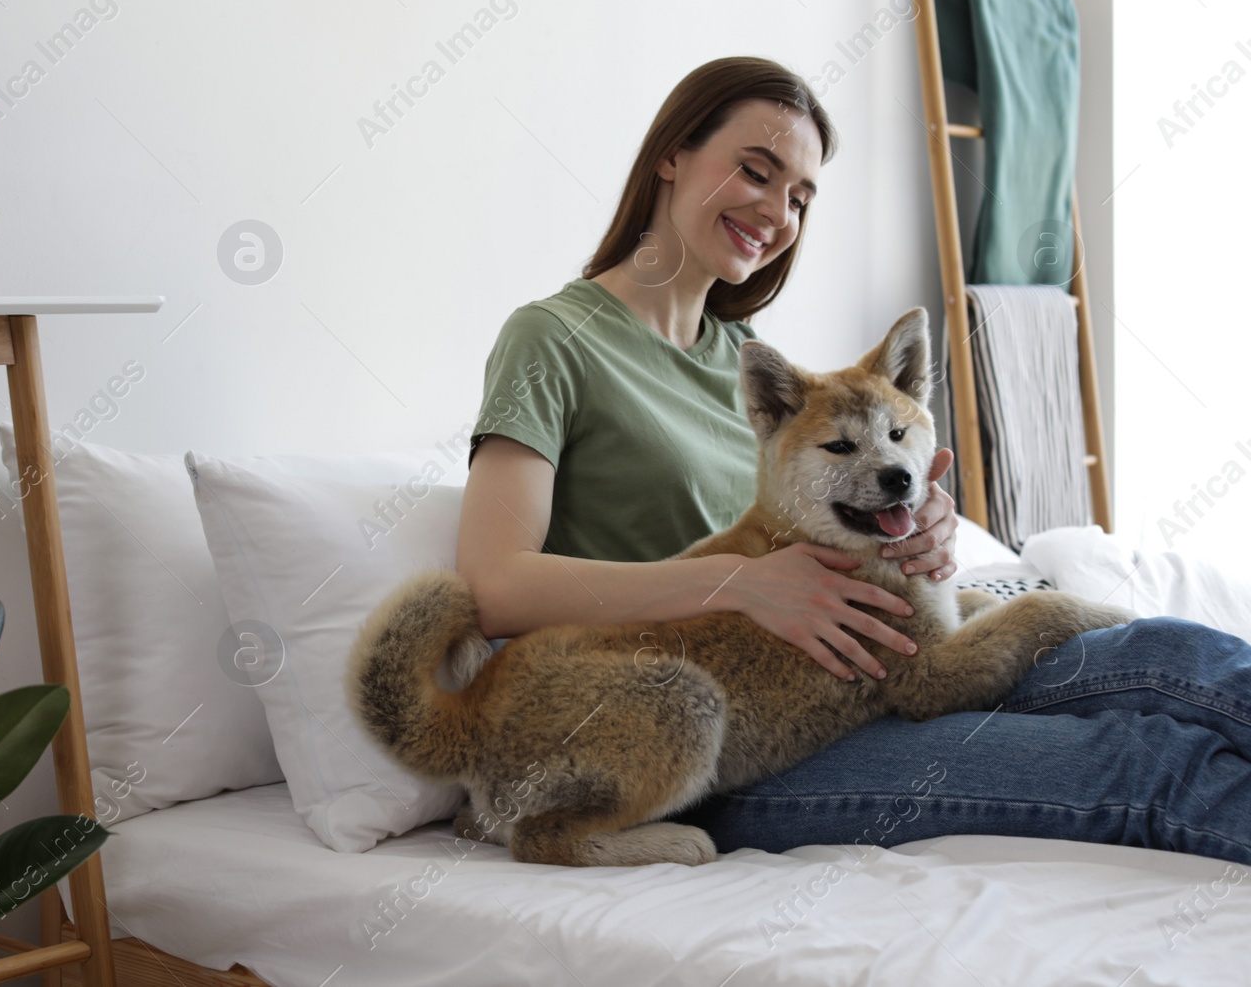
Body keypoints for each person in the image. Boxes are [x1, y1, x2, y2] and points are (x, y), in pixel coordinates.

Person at [457, 56, 1251, 866]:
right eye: (756, 172)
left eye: (799, 196)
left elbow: (822, 522)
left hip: (861, 673)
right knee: (1149, 765)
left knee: (1171, 660)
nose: (776, 211)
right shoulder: (553, 340)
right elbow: (493, 585)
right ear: (671, 154)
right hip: (711, 746)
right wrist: (743, 584)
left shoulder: (756, 367)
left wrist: (920, 540)